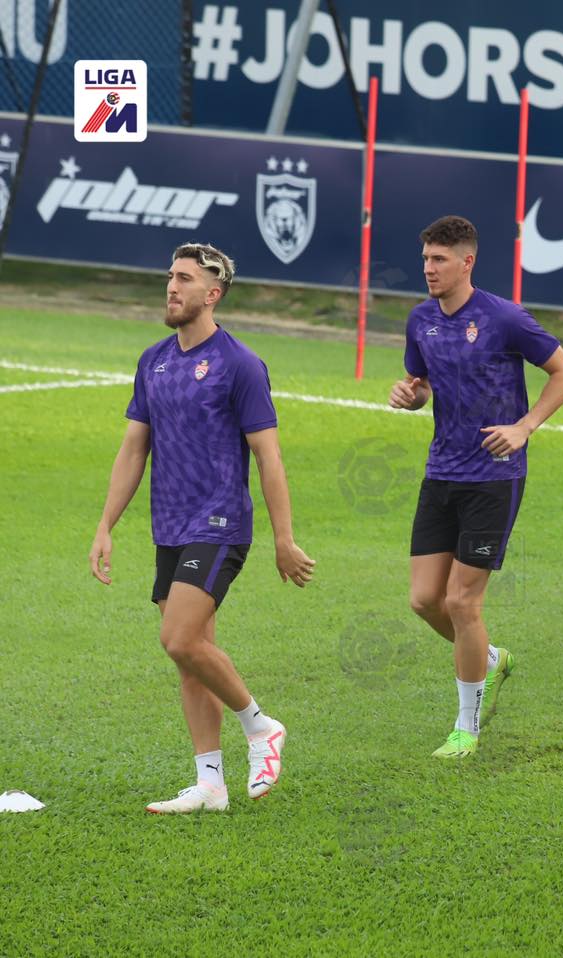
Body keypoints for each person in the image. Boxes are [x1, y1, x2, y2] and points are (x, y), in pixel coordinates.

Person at [89, 242, 316, 813]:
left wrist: (283, 538)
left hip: (219, 523)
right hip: (169, 526)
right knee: (191, 654)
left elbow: (268, 457)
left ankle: (261, 726)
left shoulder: (240, 364)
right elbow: (133, 449)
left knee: (180, 638)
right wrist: (105, 524)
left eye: (185, 279)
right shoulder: (153, 361)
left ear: (212, 294)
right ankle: (210, 782)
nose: (172, 287)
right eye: (170, 276)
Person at [389, 215, 563, 758]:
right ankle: (490, 659)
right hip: (441, 472)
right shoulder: (421, 320)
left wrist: (524, 427)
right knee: (424, 600)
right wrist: (412, 397)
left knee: (461, 601)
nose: (429, 269)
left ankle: (466, 726)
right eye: (426, 259)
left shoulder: (504, 318)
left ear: (467, 262)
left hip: (494, 476)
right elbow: (423, 384)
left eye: (439, 260)